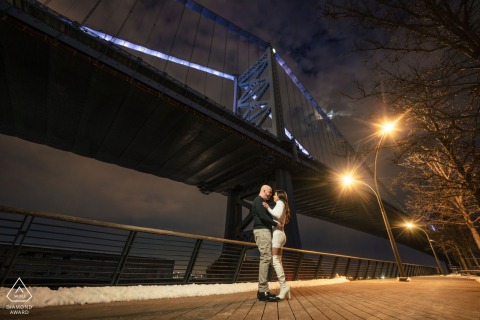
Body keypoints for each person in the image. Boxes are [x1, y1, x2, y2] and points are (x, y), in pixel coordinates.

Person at [252, 185, 283, 302]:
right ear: (263, 190)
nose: (270, 195)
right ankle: (263, 291)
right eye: (269, 192)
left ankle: (262, 290)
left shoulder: (261, 202)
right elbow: (262, 216)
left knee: (265, 258)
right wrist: (276, 225)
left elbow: (265, 215)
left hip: (263, 231)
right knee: (265, 258)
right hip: (262, 231)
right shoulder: (259, 200)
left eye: (271, 193)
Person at [262, 189, 291, 300]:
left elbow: (277, 215)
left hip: (278, 235)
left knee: (275, 261)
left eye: (274, 194)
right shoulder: (283, 204)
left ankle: (284, 286)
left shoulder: (280, 203)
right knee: (278, 261)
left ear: (279, 196)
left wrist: (267, 207)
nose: (273, 196)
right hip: (281, 235)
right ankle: (284, 287)